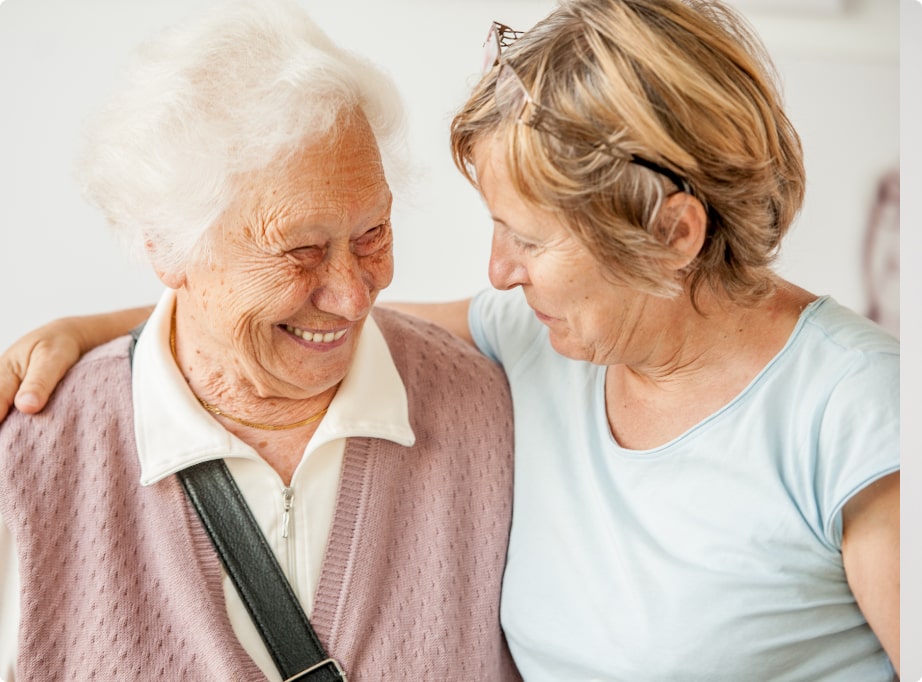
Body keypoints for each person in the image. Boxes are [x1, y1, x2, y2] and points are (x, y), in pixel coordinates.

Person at [0, 0, 900, 680]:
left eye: (532, 239)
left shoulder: (862, 414)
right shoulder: (542, 340)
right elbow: (310, 316)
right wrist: (94, 332)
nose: (496, 271)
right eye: (303, 249)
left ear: (673, 235)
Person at [0, 1, 520, 680]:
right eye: (300, 250)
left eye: (373, 235)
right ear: (166, 247)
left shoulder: (494, 416)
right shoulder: (33, 457)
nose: (354, 293)